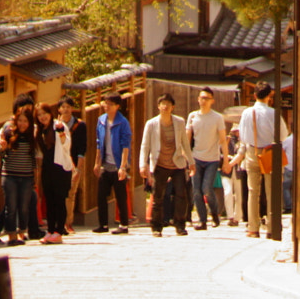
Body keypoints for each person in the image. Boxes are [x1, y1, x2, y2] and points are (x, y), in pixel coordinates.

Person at [229, 81, 285, 238]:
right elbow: (283, 135)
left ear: (254, 95)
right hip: (270, 152)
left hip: (252, 151)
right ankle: (272, 228)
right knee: (271, 191)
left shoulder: (247, 113)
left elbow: (244, 136)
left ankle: (253, 228)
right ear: (270, 96)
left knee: (253, 192)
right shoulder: (274, 113)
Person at [140, 93, 193, 236]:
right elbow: (145, 145)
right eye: (162, 104)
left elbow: (184, 143)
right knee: (158, 196)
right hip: (159, 164)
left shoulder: (179, 122)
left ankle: (180, 225)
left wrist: (191, 161)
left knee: (181, 195)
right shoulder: (151, 124)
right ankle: (156, 227)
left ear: (172, 107)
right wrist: (142, 165)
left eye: (168, 104)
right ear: (158, 106)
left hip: (177, 163)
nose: (165, 107)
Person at [0, 102, 41, 245]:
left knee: (24, 207)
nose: (22, 124)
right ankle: (12, 236)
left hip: (27, 176)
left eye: (25, 121)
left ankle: (22, 232)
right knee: (11, 207)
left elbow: (35, 159)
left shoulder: (33, 136)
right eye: (20, 120)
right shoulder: (8, 133)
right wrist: (3, 148)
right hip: (10, 176)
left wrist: (36, 179)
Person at [40, 98, 85, 242]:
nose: (43, 117)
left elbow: (66, 145)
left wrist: (60, 132)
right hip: (47, 168)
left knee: (60, 200)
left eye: (44, 113)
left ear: (50, 113)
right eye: (39, 114)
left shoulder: (59, 125)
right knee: (49, 200)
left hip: (60, 167)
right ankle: (50, 230)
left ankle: (59, 231)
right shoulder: (39, 129)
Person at [186, 87, 227, 231]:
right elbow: (187, 138)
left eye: (207, 98)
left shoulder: (217, 118)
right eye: (201, 98)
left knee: (207, 189)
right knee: (196, 191)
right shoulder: (192, 117)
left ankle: (215, 213)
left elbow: (222, 140)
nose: (203, 101)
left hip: (212, 159)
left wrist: (226, 160)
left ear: (212, 101)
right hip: (196, 157)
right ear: (198, 99)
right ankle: (202, 221)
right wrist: (187, 158)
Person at [94, 92, 135, 234]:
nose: (107, 106)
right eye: (106, 103)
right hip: (105, 164)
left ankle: (124, 225)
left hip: (118, 165)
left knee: (120, 196)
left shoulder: (123, 122)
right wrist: (97, 162)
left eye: (110, 104)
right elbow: (99, 143)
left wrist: (123, 166)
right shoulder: (101, 121)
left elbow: (126, 145)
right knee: (101, 195)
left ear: (118, 106)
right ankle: (103, 225)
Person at [281, 123, 296, 214]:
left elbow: (281, 150)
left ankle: (289, 206)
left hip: (289, 166)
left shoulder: (287, 140)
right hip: (298, 167)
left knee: (286, 187)